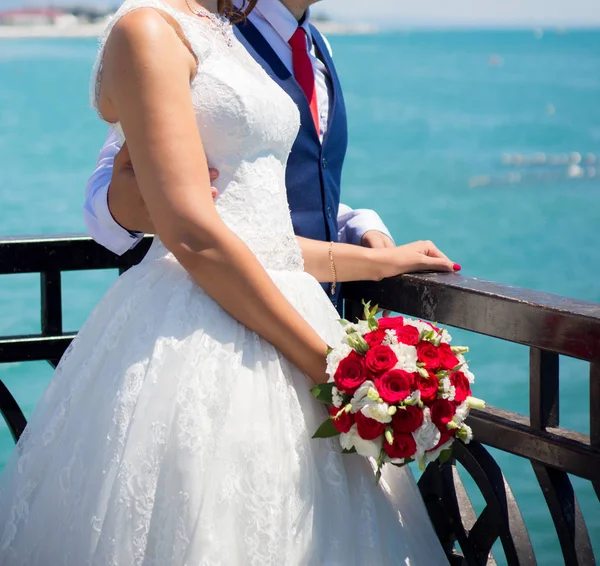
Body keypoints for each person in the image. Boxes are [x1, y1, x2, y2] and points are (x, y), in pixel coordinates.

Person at [0, 0, 455, 563]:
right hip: (201, 331)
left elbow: (255, 213)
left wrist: (376, 254)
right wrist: (330, 369)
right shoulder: (149, 28)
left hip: (288, 308)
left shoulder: (233, 32)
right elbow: (190, 232)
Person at [83, 0, 432, 313]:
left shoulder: (318, 46)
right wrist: (153, 203)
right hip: (218, 310)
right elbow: (109, 199)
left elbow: (262, 176)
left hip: (313, 307)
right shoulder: (197, 27)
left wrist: (351, 223)